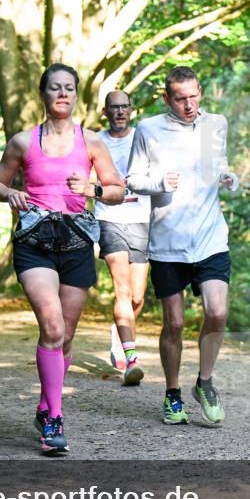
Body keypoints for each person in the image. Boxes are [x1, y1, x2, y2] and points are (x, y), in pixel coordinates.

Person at [0, 63, 126, 454]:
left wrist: (92, 189)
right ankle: (54, 420)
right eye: (55, 87)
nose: (62, 93)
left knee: (65, 336)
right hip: (35, 241)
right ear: (43, 94)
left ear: (76, 95)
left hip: (77, 241)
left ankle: (45, 405)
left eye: (69, 88)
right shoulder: (23, 141)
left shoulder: (91, 142)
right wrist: (10, 193)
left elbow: (117, 190)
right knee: (51, 326)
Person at [125, 66, 240, 427]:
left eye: (193, 96)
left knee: (217, 312)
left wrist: (229, 177)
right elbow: (133, 179)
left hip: (210, 237)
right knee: (173, 323)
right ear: (166, 98)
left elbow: (218, 166)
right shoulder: (148, 129)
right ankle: (172, 393)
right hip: (168, 241)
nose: (189, 105)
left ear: (200, 92)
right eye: (180, 99)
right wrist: (159, 182)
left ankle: (204, 382)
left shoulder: (216, 124)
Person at [96, 90, 150, 386]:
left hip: (142, 220)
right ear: (105, 112)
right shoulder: (95, 140)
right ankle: (131, 359)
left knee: (138, 297)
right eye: (114, 107)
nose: (119, 112)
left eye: (124, 107)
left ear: (131, 110)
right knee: (123, 290)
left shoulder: (144, 137)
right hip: (109, 218)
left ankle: (119, 334)